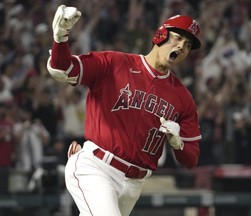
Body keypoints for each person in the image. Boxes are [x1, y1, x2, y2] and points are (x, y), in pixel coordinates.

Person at [47, 5, 202, 216]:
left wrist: (177, 142)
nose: (181, 47)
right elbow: (63, 70)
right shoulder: (115, 63)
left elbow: (191, 159)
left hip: (134, 185)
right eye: (177, 38)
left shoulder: (183, 97)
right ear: (160, 35)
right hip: (97, 168)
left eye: (187, 45)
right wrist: (61, 37)